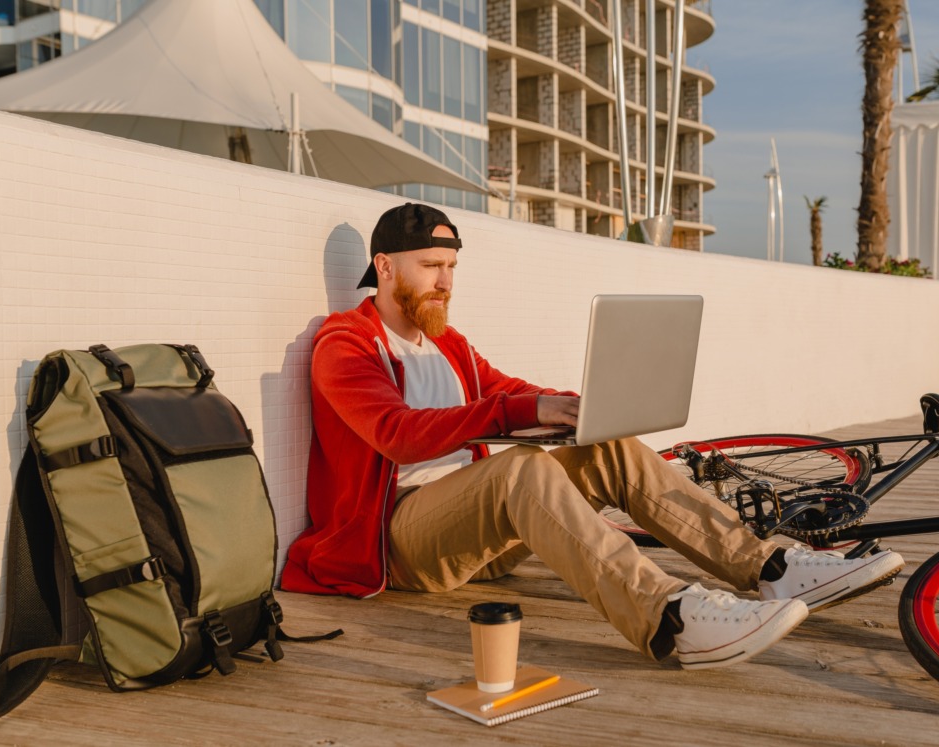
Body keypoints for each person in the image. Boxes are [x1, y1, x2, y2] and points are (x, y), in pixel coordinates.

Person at [282, 202, 905, 670]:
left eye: (451, 267)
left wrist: (580, 407)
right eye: (431, 267)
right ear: (386, 267)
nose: (446, 282)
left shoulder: (448, 344)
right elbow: (399, 436)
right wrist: (522, 409)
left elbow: (507, 391)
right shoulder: (346, 343)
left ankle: (769, 566)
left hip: (479, 536)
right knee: (521, 466)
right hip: (398, 540)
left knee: (601, 446)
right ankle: (669, 617)